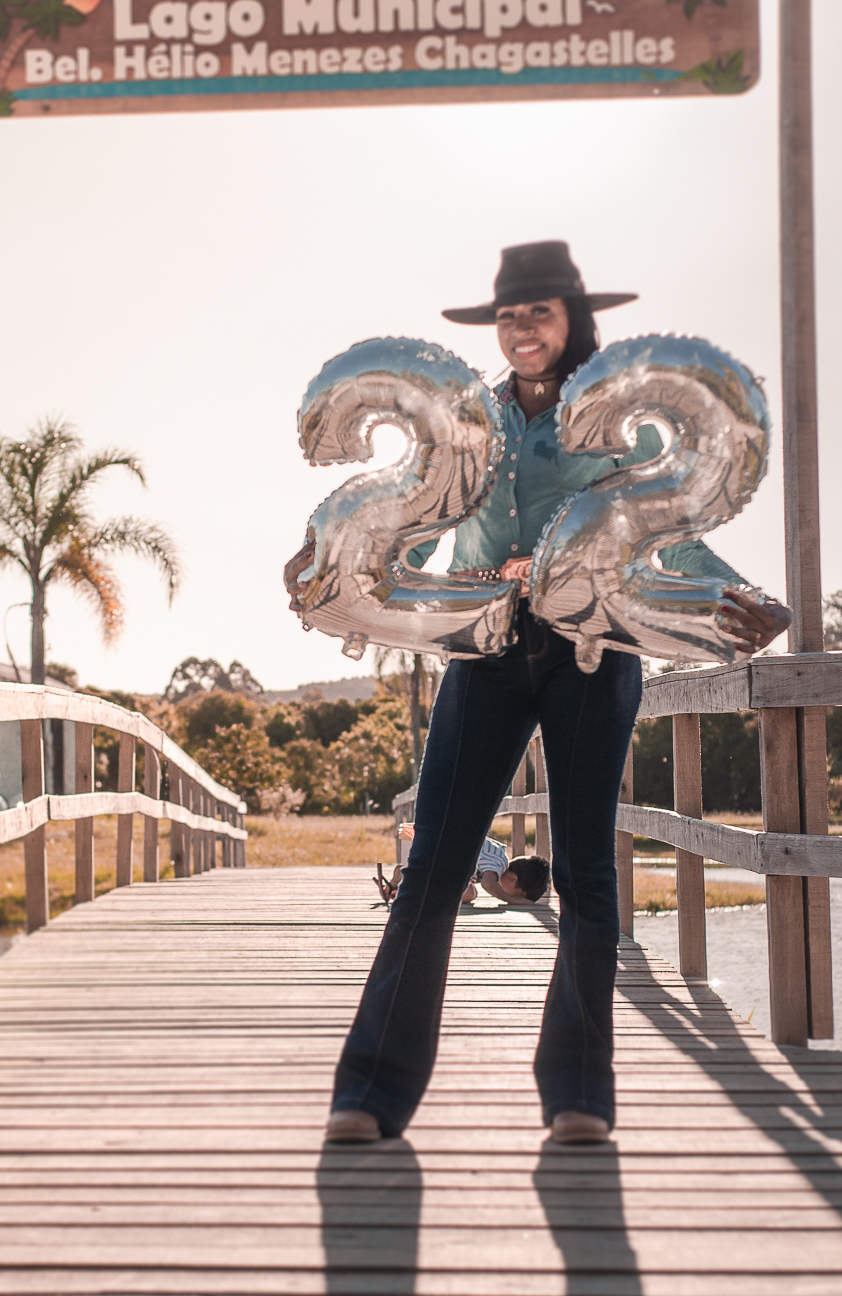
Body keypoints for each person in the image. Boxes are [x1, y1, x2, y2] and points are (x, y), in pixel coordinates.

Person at [289, 241, 791, 1148]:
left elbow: (669, 537)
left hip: (592, 652)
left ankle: (578, 1098)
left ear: (573, 319)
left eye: (540, 312)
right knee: (434, 867)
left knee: (588, 871)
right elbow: (411, 524)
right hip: (483, 652)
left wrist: (736, 597)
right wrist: (331, 566)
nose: (523, 329)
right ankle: (368, 1094)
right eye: (510, 315)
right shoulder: (467, 422)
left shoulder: (620, 427)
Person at [390, 826, 551, 905]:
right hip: (443, 851)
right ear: (512, 879)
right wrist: (510, 899)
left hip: (440, 850)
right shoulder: (499, 862)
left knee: (466, 888)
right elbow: (489, 884)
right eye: (517, 894)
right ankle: (414, 881)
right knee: (468, 893)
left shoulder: (494, 858)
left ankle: (405, 877)